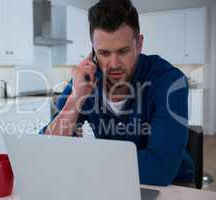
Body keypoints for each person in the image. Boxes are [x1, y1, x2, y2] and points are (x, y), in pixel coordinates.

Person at [40, 0, 194, 186]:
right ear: (93, 52)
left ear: (139, 44)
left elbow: (159, 170)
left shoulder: (169, 81)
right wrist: (75, 99)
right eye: (104, 53)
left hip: (172, 186)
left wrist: (85, 159)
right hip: (112, 179)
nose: (113, 64)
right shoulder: (85, 80)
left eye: (123, 51)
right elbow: (46, 149)